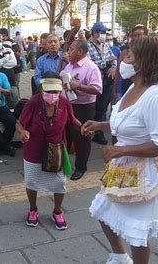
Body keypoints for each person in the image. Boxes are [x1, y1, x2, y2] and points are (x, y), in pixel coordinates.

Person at [82, 35, 158, 264]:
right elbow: (129, 122)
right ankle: (119, 257)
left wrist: (120, 151)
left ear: (144, 61)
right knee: (104, 213)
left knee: (137, 233)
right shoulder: (134, 87)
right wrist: (102, 125)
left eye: (131, 55)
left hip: (147, 171)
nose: (124, 58)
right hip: (123, 164)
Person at [16, 71, 82, 230]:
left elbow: (73, 121)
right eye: (49, 91)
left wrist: (84, 128)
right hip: (34, 149)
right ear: (41, 89)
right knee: (31, 181)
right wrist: (23, 132)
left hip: (56, 150)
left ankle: (57, 211)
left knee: (60, 183)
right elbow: (19, 124)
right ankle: (33, 209)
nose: (53, 95)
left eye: (56, 92)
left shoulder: (65, 103)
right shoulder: (32, 102)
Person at [60, 40, 102, 181]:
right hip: (67, 105)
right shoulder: (69, 65)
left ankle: (80, 167)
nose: (68, 52)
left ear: (80, 52)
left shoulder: (91, 67)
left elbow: (97, 89)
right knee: (65, 135)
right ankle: (61, 163)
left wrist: (78, 86)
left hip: (83, 107)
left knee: (82, 138)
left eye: (71, 49)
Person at [87, 22, 117, 145]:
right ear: (95, 33)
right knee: (93, 107)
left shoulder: (106, 46)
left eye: (105, 33)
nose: (104, 35)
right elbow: (90, 64)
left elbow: (113, 59)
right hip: (94, 82)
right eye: (102, 32)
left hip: (107, 81)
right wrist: (106, 62)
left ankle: (99, 132)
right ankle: (92, 131)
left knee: (103, 109)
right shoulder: (88, 46)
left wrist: (113, 67)